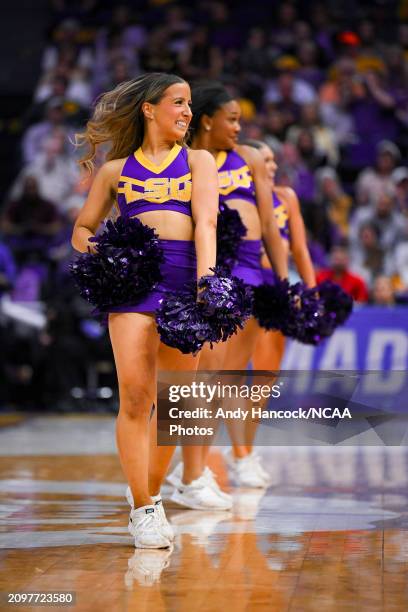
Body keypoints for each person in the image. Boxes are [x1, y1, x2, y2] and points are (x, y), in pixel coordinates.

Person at [71, 73, 219, 548]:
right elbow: (82, 227)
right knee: (136, 396)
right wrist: (103, 253)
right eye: (178, 102)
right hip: (133, 287)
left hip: (185, 283)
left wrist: (208, 281)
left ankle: (150, 492)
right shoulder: (116, 171)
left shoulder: (197, 161)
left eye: (190, 104)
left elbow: (207, 223)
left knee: (174, 404)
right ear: (149, 109)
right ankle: (142, 508)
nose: (188, 112)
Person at [167, 82, 288, 497]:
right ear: (207, 120)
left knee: (227, 380)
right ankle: (187, 471)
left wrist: (283, 283)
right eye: (231, 119)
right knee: (200, 379)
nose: (238, 127)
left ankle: (198, 468)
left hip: (253, 275)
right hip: (212, 274)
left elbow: (270, 225)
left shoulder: (249, 157)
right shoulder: (187, 160)